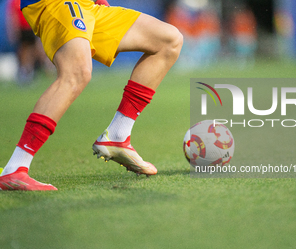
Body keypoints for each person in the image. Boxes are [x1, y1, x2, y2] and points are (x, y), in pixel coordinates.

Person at [0, 0, 183, 190]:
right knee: (76, 72)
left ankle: (118, 135)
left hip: (87, 6)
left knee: (169, 40)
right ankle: (15, 167)